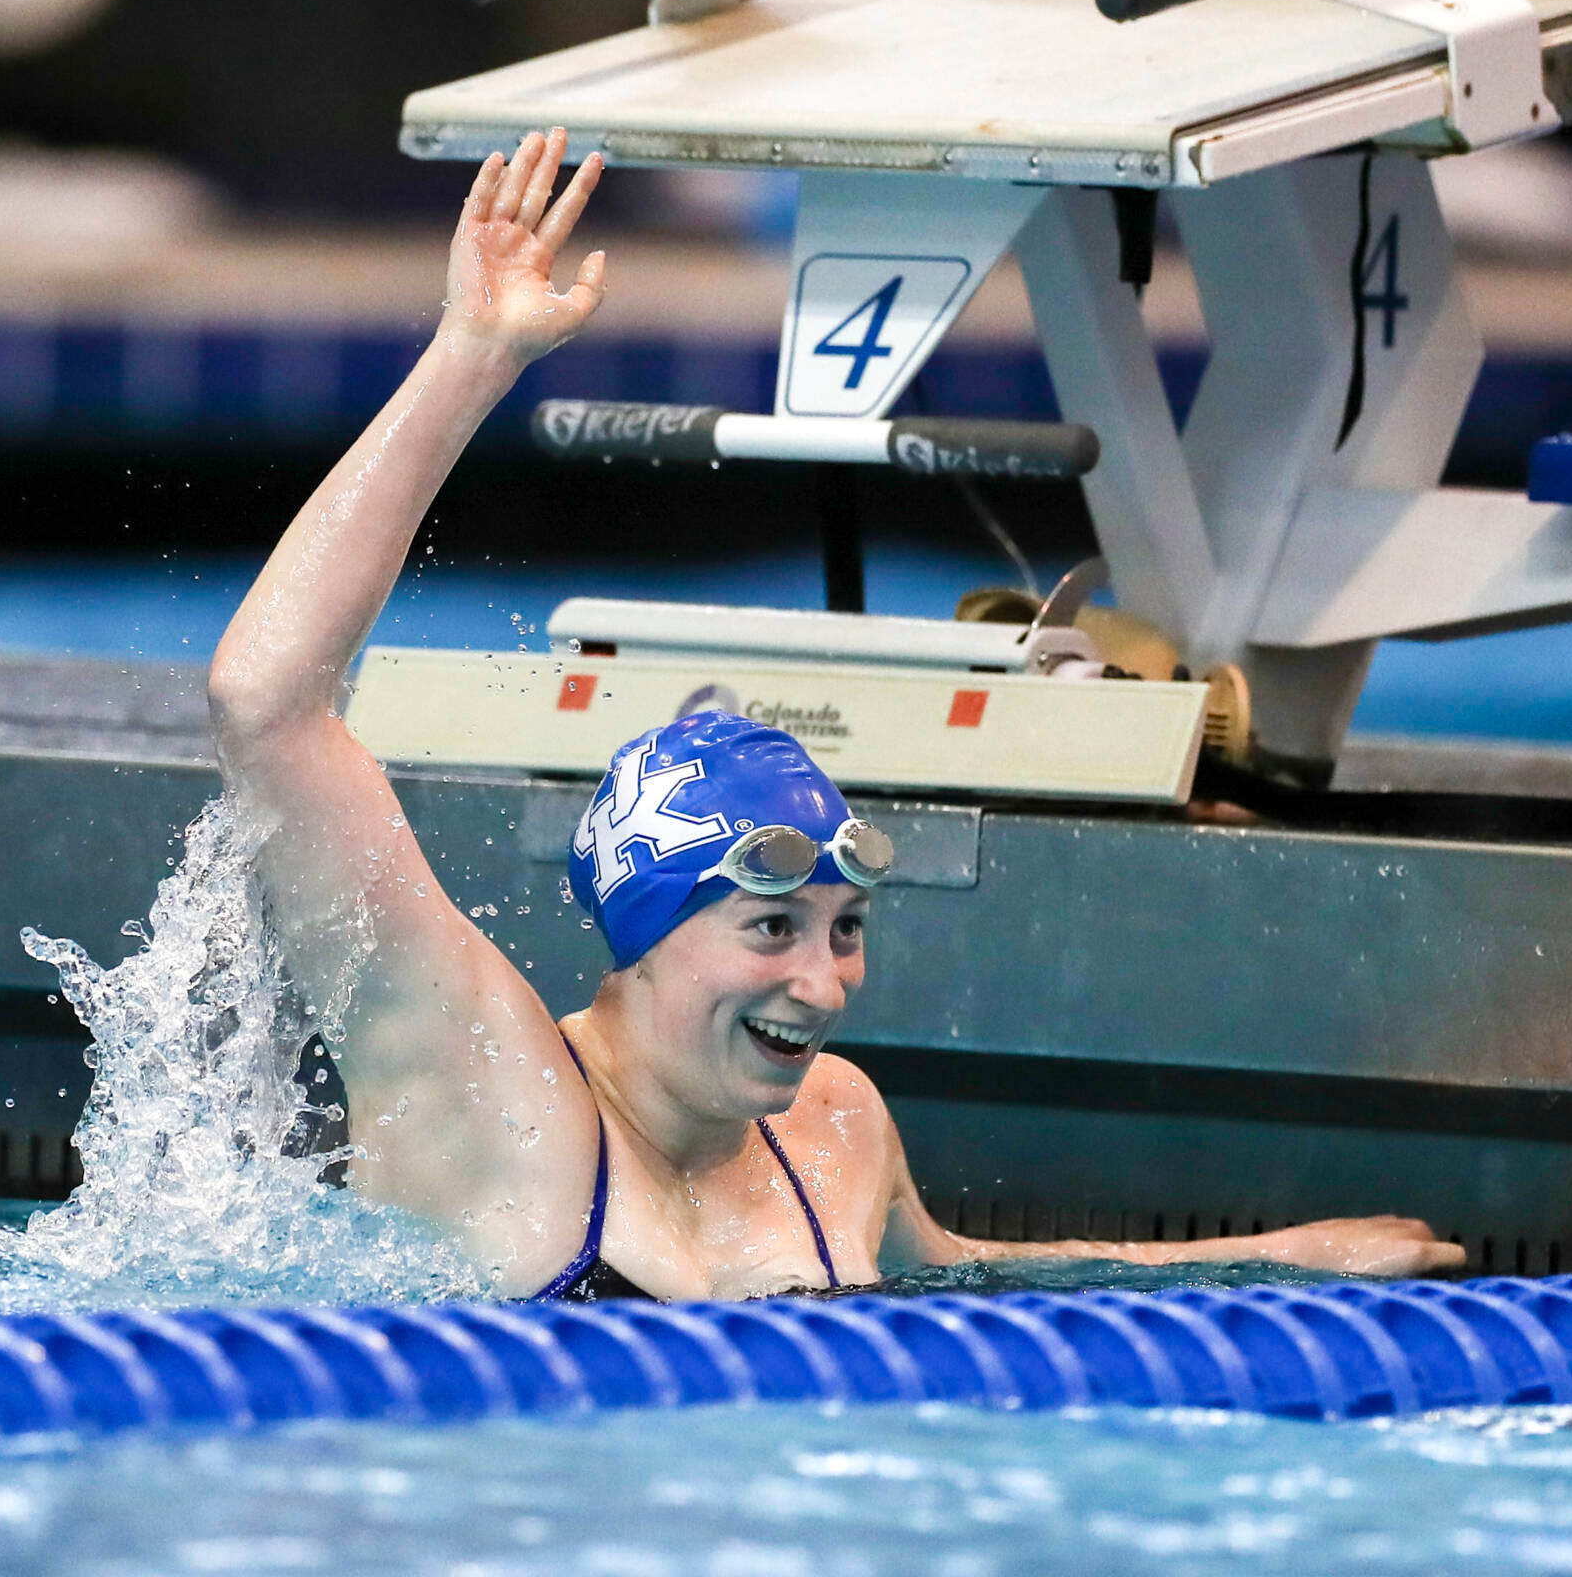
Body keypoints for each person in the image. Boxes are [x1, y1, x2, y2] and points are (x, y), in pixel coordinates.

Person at [207, 126, 1466, 1298]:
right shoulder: (493, 1088)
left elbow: (960, 1270)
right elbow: (265, 702)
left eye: (843, 925)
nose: (821, 981)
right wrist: (470, 355)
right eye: (770, 927)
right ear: (643, 935)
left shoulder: (836, 1120)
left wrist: (1272, 1260)